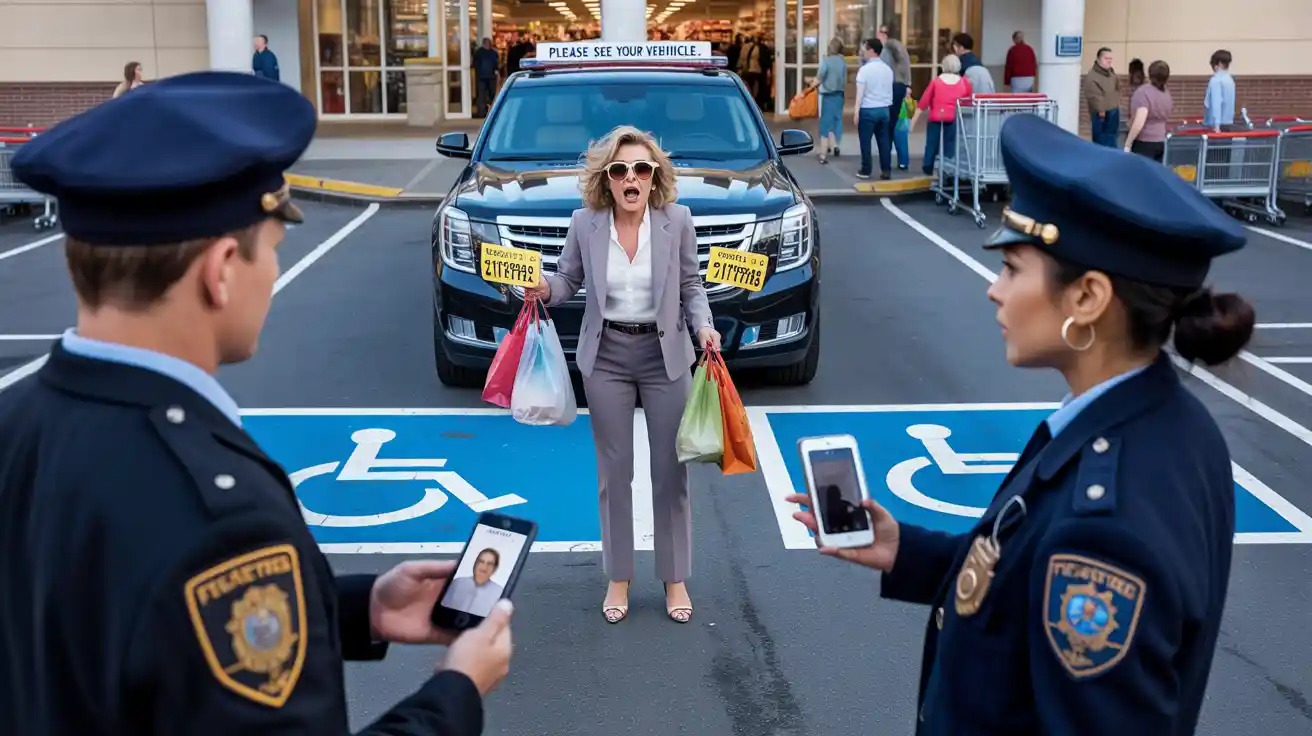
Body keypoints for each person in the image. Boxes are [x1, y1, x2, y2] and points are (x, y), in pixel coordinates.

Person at [0, 71, 512, 736]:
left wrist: (357, 609)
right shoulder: (221, 514)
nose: (272, 272)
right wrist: (458, 690)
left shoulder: (18, 425)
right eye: (271, 247)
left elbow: (113, 616)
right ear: (219, 271)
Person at [787, 113, 1253, 734]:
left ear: (1087, 298)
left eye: (1012, 268)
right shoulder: (1173, 422)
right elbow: (1027, 581)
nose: (993, 290)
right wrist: (909, 552)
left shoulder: (1102, 531)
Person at [525, 125, 721, 625]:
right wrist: (542, 288)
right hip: (607, 355)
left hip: (665, 356)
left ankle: (674, 577)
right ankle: (619, 575)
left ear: (654, 177)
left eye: (640, 168)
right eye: (619, 170)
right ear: (607, 180)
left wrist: (705, 327)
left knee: (670, 471)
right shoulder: (584, 223)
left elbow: (692, 284)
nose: (629, 177)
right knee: (615, 473)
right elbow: (568, 279)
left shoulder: (676, 220)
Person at [907, 54, 972, 176]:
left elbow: (923, 104)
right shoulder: (965, 82)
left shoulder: (936, 82)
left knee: (932, 143)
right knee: (950, 143)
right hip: (953, 117)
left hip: (936, 116)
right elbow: (968, 103)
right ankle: (947, 169)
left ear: (943, 66)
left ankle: (928, 166)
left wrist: (912, 124)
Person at [854, 38, 894, 180]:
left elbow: (860, 93)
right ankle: (886, 170)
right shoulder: (888, 69)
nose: (863, 52)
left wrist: (856, 112)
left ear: (871, 51)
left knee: (865, 141)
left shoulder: (864, 70)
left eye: (865, 49)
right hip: (884, 109)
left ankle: (866, 169)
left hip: (868, 110)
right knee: (884, 141)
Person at [804, 36, 848, 164]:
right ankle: (835, 146)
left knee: (825, 124)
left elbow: (819, 78)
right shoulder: (842, 62)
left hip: (829, 96)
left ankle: (823, 154)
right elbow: (844, 80)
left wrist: (809, 86)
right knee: (836, 121)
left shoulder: (826, 61)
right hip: (840, 96)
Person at [1124, 60, 1174, 161]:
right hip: (1161, 141)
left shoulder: (1143, 93)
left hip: (1144, 143)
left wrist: (1128, 144)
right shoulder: (1166, 94)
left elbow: (1139, 121)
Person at [443, 548, 505, 617]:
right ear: (475, 564)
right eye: (481, 562)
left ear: (495, 569)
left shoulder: (499, 593)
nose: (484, 568)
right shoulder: (457, 583)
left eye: (490, 564)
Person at [1084, 47, 1121, 146]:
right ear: (1098, 59)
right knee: (1102, 139)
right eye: (1106, 58)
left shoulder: (1111, 74)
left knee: (1112, 138)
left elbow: (1117, 88)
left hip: (1113, 110)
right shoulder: (1092, 76)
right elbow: (1093, 95)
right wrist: (1101, 110)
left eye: (1110, 58)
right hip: (1102, 114)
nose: (1109, 61)